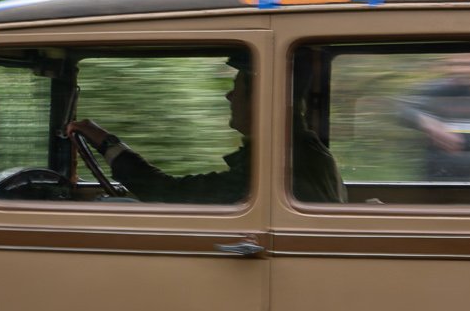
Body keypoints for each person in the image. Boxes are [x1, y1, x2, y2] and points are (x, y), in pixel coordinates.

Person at [67, 60, 341, 205]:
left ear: (263, 101)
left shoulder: (275, 168)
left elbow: (166, 192)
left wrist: (105, 141)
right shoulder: (307, 152)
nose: (229, 95)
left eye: (239, 88)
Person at [402, 52, 470, 182]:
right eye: (461, 64)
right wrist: (427, 122)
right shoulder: (437, 89)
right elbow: (402, 109)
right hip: (439, 177)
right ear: (450, 66)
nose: (469, 70)